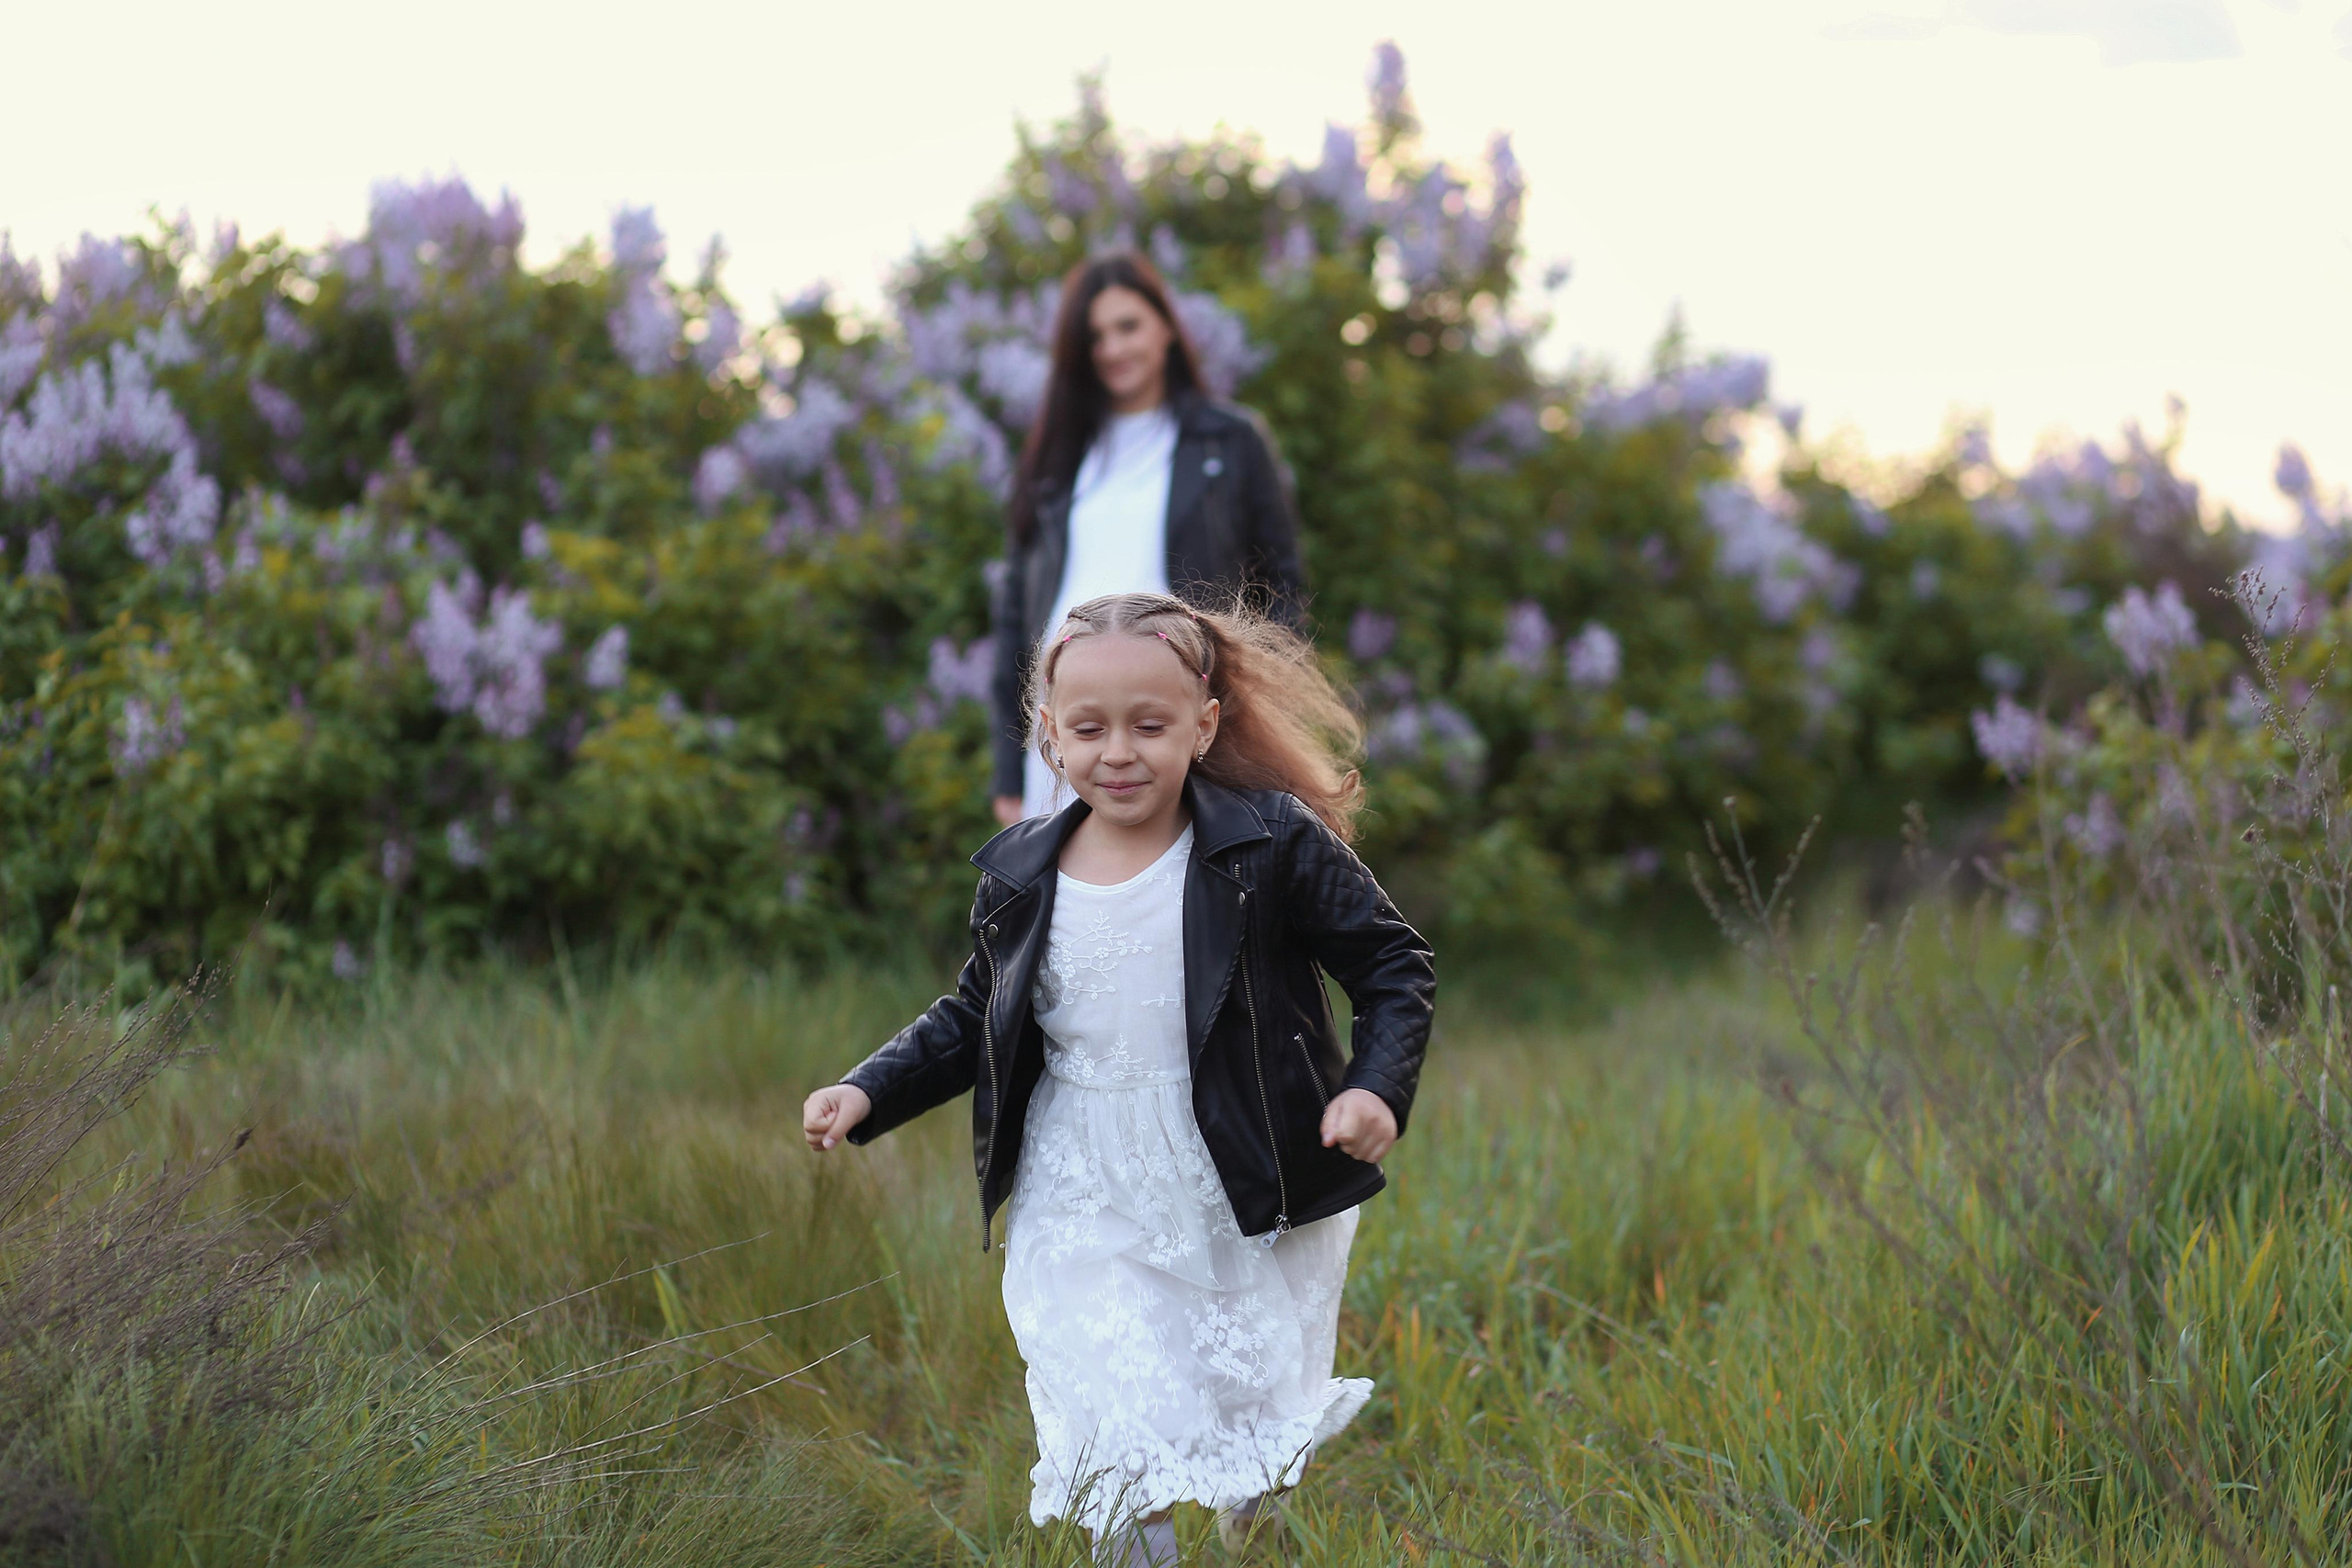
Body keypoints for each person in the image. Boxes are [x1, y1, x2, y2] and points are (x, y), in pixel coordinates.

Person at [805, 592, 1434, 1566]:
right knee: (1116, 1417)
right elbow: (974, 1012)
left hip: (1242, 1164)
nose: (1119, 752)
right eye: (1089, 728)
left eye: (1150, 725)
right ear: (1049, 737)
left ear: (1203, 724)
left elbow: (1392, 969)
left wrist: (1374, 1090)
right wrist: (870, 1089)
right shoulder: (1022, 870)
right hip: (1081, 1183)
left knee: (1247, 1413)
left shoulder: (1265, 845)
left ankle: (1254, 1537)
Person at [990, 253, 1308, 827]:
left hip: (1180, 731)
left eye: (1128, 326)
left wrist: (1252, 713)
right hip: (1073, 737)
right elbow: (1014, 621)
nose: (1113, 349)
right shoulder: (1053, 462)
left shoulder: (1231, 441)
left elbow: (1282, 590)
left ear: (1165, 325)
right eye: (1095, 336)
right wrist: (1006, 774)